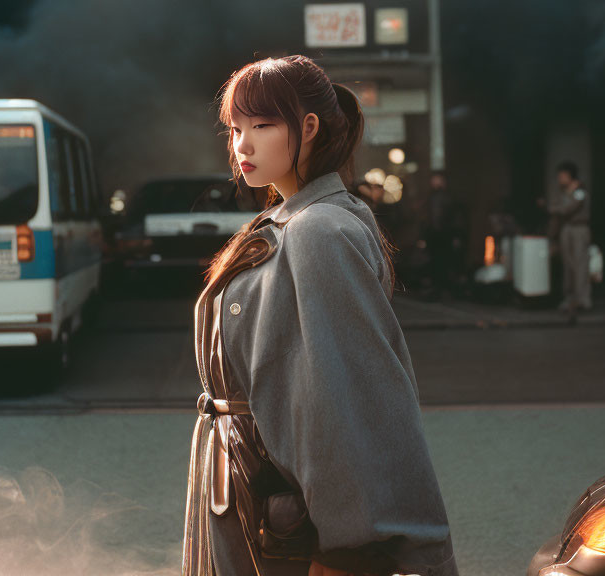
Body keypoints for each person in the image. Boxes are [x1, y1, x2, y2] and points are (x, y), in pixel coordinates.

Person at [182, 55, 459, 576]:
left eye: (262, 126)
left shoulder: (319, 232)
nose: (242, 144)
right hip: (254, 494)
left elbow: (346, 399)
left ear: (308, 127)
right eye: (235, 128)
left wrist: (347, 551)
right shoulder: (291, 221)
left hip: (294, 520)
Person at [547, 161, 592, 312]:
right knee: (568, 264)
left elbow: (567, 209)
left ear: (569, 176)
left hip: (579, 228)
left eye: (562, 176)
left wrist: (555, 208)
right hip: (566, 228)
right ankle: (570, 298)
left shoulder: (579, 191)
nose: (560, 179)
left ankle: (583, 300)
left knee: (580, 264)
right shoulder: (562, 191)